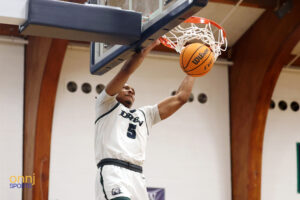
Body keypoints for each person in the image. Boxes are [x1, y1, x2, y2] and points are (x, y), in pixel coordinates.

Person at [95, 40, 196, 200]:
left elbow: (181, 98)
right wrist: (146, 49)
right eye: (126, 88)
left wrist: (193, 70)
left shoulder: (145, 114)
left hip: (137, 176)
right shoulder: (105, 104)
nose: (130, 90)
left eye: (133, 90)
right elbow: (126, 70)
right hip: (113, 170)